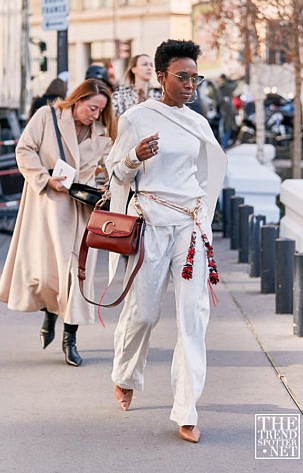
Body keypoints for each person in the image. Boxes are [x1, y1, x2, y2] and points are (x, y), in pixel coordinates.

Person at [106, 39, 227, 443]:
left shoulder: (199, 123)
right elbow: (117, 176)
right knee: (143, 313)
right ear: (161, 77)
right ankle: (125, 374)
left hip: (190, 227)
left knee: (194, 318)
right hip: (151, 223)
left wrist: (205, 223)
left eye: (196, 77)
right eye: (183, 76)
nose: (191, 84)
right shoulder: (136, 119)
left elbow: (209, 175)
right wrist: (134, 157)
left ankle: (187, 410)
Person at [0, 79, 117, 367]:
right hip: (48, 207)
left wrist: (104, 187)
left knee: (77, 274)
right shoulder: (47, 117)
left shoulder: (102, 133)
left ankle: (70, 339)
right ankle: (50, 314)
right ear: (77, 101)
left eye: (101, 110)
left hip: (82, 210)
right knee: (48, 270)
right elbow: (24, 150)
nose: (95, 115)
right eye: (92, 108)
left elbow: (107, 168)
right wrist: (44, 178)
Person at [217, 73, 238, 149]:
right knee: (227, 128)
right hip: (227, 110)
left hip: (226, 110)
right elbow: (235, 84)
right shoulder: (225, 86)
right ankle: (224, 144)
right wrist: (230, 79)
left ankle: (224, 144)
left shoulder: (223, 86)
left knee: (226, 128)